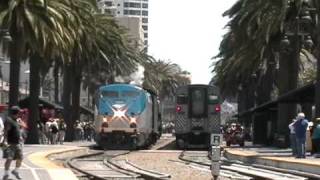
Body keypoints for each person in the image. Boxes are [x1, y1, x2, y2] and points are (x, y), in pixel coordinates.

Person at [1, 106, 24, 180]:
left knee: (20, 158)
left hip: (17, 143)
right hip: (10, 143)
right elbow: (6, 131)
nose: (20, 114)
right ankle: (6, 174)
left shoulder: (16, 120)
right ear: (17, 112)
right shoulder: (9, 120)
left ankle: (15, 171)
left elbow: (17, 130)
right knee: (9, 159)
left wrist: (20, 137)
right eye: (19, 112)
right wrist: (4, 141)